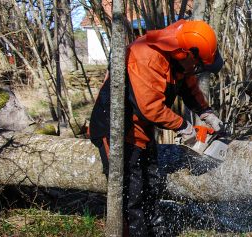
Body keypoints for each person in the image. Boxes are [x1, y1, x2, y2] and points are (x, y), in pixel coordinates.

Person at [88, 19, 223, 236]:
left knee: (151, 184)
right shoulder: (146, 56)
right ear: (186, 53)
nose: (196, 69)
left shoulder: (177, 57)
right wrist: (184, 127)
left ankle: (154, 231)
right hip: (116, 130)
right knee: (132, 193)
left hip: (142, 129)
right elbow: (148, 107)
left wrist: (206, 112)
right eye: (197, 63)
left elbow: (189, 88)